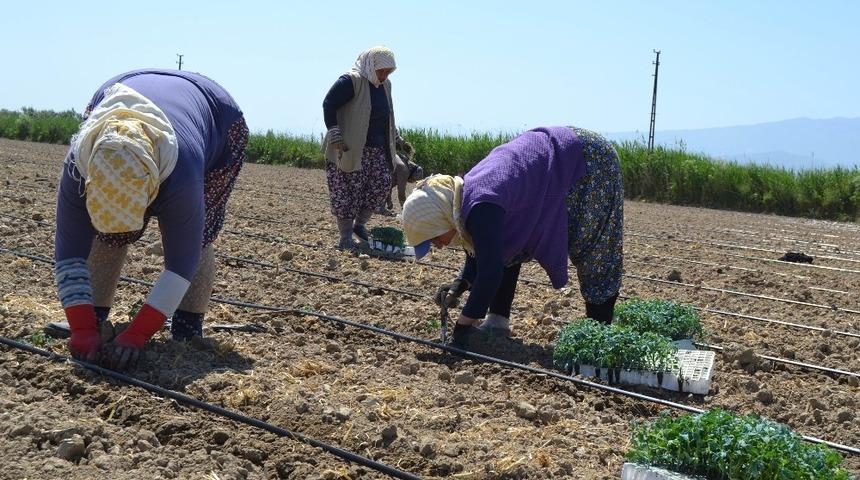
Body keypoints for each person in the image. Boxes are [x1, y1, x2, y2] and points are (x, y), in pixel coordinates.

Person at [53, 69, 247, 370]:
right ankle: (95, 318)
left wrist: (137, 335)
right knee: (110, 234)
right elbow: (69, 254)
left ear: (154, 187)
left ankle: (187, 326)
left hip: (216, 115)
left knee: (200, 233)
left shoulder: (181, 174)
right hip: (121, 89)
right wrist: (81, 328)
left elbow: (181, 265)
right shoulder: (78, 169)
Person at [401, 126, 623, 348]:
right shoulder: (465, 197)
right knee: (506, 241)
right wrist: (460, 283)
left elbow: (490, 271)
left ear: (440, 218)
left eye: (433, 238)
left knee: (595, 249)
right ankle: (497, 322)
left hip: (587, 161)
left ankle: (599, 339)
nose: (437, 246)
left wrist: (462, 327)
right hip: (554, 156)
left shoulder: (482, 203)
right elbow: (485, 247)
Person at [322, 46, 409, 248]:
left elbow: (387, 115)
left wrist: (396, 137)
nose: (385, 75)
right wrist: (334, 133)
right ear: (371, 65)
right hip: (349, 148)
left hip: (377, 149)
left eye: (389, 72)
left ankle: (359, 224)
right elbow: (329, 103)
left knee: (381, 184)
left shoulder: (386, 85)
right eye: (382, 71)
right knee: (347, 191)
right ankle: (345, 236)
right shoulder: (351, 81)